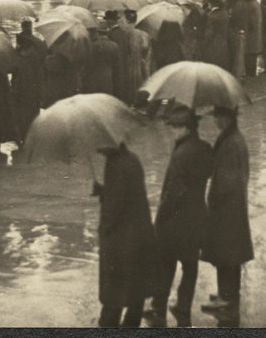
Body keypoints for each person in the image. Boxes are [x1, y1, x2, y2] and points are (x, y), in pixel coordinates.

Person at [145, 106, 213, 327]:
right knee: (190, 266)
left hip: (175, 222)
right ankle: (182, 306)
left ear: (185, 128)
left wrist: (160, 221)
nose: (172, 131)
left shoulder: (181, 154)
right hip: (196, 218)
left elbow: (174, 193)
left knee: (166, 266)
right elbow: (209, 172)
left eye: (175, 127)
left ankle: (158, 308)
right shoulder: (204, 148)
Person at [96, 141, 157, 328]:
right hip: (139, 234)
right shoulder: (131, 158)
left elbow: (114, 208)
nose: (98, 149)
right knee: (135, 290)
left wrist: (102, 229)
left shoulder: (115, 164)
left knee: (114, 294)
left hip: (122, 239)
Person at [200, 106, 253, 318]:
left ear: (226, 118)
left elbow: (227, 180)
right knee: (229, 253)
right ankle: (228, 294)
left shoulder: (231, 143)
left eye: (217, 116)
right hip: (232, 206)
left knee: (226, 254)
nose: (215, 120)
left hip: (227, 207)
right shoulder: (231, 139)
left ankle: (227, 297)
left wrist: (214, 199)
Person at [12, 20, 48, 138]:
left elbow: (14, 72)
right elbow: (41, 73)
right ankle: (31, 135)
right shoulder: (38, 46)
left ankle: (23, 136)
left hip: (22, 89)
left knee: (22, 114)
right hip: (33, 89)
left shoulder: (18, 53)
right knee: (33, 113)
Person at [231, 0, 262, 78]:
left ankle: (249, 73)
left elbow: (244, 20)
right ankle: (251, 73)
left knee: (248, 53)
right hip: (254, 33)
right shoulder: (255, 4)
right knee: (251, 53)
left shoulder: (244, 4)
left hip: (249, 33)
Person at [123, 10, 152, 99]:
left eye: (122, 21)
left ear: (127, 22)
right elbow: (148, 54)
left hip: (127, 65)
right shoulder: (144, 35)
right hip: (141, 65)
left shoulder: (123, 34)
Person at [84, 28, 120, 96]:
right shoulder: (114, 45)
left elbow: (87, 62)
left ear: (97, 34)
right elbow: (116, 63)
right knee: (106, 97)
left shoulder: (92, 45)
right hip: (108, 76)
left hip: (94, 76)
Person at [199, 0, 231, 71]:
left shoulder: (212, 16)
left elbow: (209, 33)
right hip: (223, 44)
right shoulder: (224, 13)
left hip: (213, 45)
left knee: (213, 66)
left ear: (210, 4)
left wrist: (203, 43)